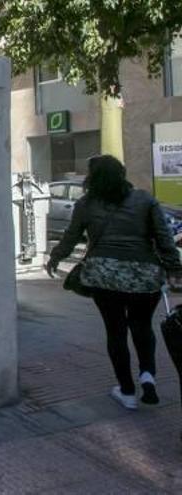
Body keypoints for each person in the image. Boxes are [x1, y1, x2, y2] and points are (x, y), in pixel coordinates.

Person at [46, 155, 182, 410]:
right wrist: (175, 269)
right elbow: (164, 238)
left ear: (92, 177)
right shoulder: (145, 199)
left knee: (116, 332)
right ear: (123, 173)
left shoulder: (86, 204)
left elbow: (71, 237)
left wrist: (55, 258)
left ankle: (127, 392)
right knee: (142, 327)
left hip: (104, 276)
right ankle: (148, 376)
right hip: (144, 276)